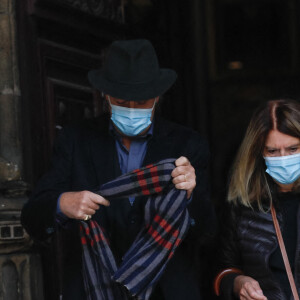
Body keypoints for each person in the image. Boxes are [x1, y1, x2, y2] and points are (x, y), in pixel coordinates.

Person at [21, 39, 214, 300]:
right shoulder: (76, 140)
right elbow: (33, 216)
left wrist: (190, 194)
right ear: (106, 95)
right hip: (94, 290)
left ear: (157, 97)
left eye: (142, 102)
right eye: (122, 102)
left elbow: (208, 231)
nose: (132, 110)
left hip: (165, 292)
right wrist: (62, 203)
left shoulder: (187, 145)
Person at [214, 99, 300, 300]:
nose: (283, 158)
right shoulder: (243, 205)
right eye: (272, 151)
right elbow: (220, 269)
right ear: (259, 151)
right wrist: (238, 283)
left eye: (293, 149)